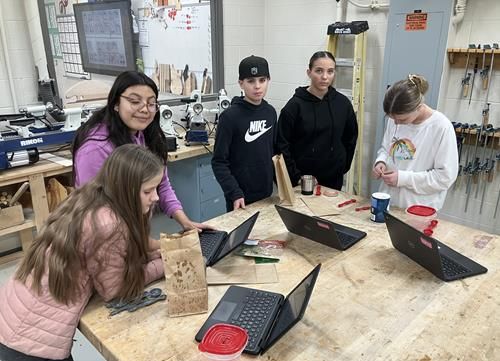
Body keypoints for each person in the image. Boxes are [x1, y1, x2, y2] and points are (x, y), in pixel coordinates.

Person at [0, 144, 165, 361]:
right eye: (148, 191)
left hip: (12, 316)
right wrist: (162, 265)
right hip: (32, 340)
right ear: (125, 189)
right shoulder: (109, 224)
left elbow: (113, 256)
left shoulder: (92, 196)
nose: (155, 197)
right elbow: (115, 289)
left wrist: (153, 253)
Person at [72, 70, 210, 232]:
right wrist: (146, 246)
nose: (145, 109)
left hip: (132, 231)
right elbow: (94, 211)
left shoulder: (145, 135)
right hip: (104, 235)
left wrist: (186, 223)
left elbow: (162, 184)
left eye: (151, 103)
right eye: (135, 101)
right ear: (116, 103)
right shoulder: (95, 150)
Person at [372, 74, 459, 209]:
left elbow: (444, 178)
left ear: (419, 107)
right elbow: (385, 148)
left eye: (402, 120)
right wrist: (381, 161)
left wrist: (403, 179)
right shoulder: (395, 119)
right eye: (392, 118)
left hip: (418, 208)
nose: (396, 123)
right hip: (389, 201)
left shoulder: (441, 127)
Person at [276, 51, 358, 190]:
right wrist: (295, 177)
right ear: (309, 72)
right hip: (303, 181)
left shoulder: (343, 104)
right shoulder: (294, 107)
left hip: (333, 180)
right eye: (319, 71)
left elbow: (350, 138)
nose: (325, 77)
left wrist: (341, 167)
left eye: (330, 71)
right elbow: (282, 146)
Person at [212, 55, 277, 211]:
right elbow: (219, 162)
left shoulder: (270, 113)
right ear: (241, 83)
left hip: (266, 193)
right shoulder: (229, 117)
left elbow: (274, 153)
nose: (257, 86)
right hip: (239, 199)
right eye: (250, 81)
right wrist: (234, 192)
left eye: (262, 80)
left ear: (268, 80)